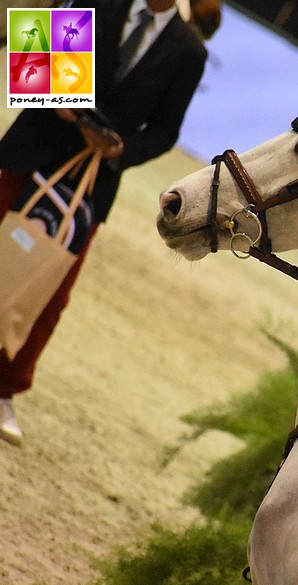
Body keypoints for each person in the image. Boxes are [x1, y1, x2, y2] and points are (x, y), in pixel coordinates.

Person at [0, 0, 207, 446]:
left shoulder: (189, 50)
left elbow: (166, 130)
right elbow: (35, 49)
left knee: (48, 290)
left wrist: (120, 151)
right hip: (33, 147)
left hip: (93, 181)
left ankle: (5, 389)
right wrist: (67, 111)